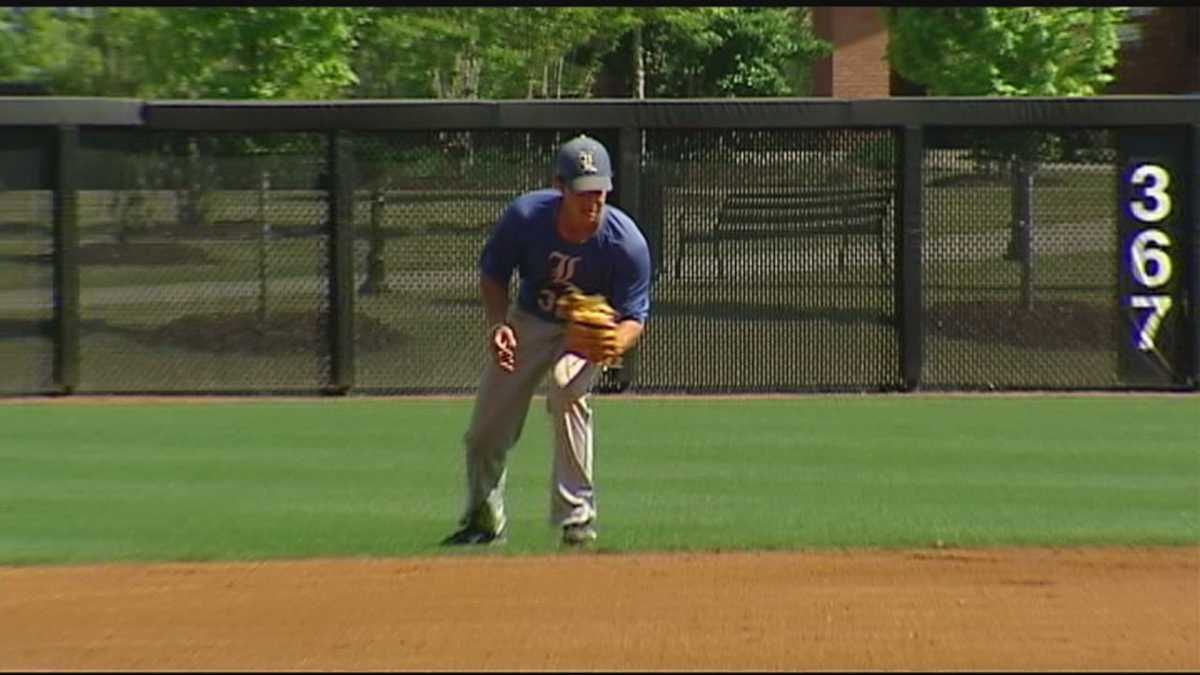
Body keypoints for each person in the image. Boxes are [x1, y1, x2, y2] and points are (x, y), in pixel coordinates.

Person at [441, 134, 652, 548]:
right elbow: (494, 276)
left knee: (567, 388)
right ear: (559, 187)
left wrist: (613, 343)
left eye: (599, 191)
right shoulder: (525, 217)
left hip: (585, 333)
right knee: (486, 429)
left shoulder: (626, 243)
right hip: (530, 322)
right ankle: (484, 516)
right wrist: (498, 325)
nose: (592, 202)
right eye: (582, 192)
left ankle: (577, 518)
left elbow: (635, 317)